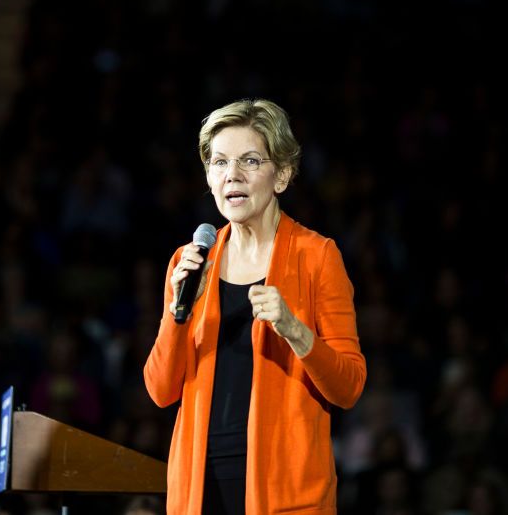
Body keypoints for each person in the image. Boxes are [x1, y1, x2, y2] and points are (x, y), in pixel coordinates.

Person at [144, 98, 367, 514]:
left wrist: (294, 329)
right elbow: (160, 391)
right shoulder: (189, 262)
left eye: (249, 160)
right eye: (219, 162)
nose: (232, 175)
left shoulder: (316, 256)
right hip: (199, 484)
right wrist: (178, 313)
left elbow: (349, 387)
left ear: (281, 175)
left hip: (285, 489)